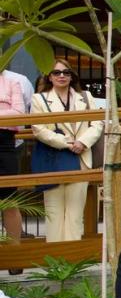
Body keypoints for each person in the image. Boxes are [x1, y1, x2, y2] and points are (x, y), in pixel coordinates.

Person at [29, 61, 102, 242]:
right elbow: (38, 129)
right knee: (54, 212)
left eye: (66, 72)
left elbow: (97, 123)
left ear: (72, 76)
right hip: (53, 159)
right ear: (49, 77)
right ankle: (55, 261)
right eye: (56, 72)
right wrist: (68, 143)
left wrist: (83, 142)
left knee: (75, 214)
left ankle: (72, 260)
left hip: (81, 158)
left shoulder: (85, 97)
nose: (61, 76)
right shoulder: (39, 99)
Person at [0, 64, 30, 248]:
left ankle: (14, 255)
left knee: (9, 200)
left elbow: (19, 113)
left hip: (4, 144)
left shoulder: (13, 82)